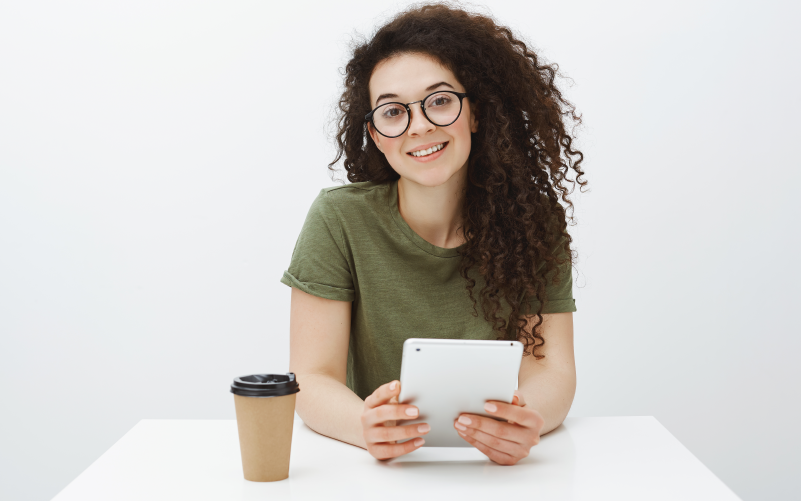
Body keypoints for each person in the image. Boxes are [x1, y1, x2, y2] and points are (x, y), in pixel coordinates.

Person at [281, 3, 587, 465]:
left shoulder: (534, 223)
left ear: (477, 113)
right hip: (377, 473)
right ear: (377, 136)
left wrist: (527, 421)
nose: (420, 125)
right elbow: (310, 375)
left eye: (440, 101)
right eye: (392, 112)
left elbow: (553, 370)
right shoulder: (338, 219)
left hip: (495, 475)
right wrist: (365, 427)